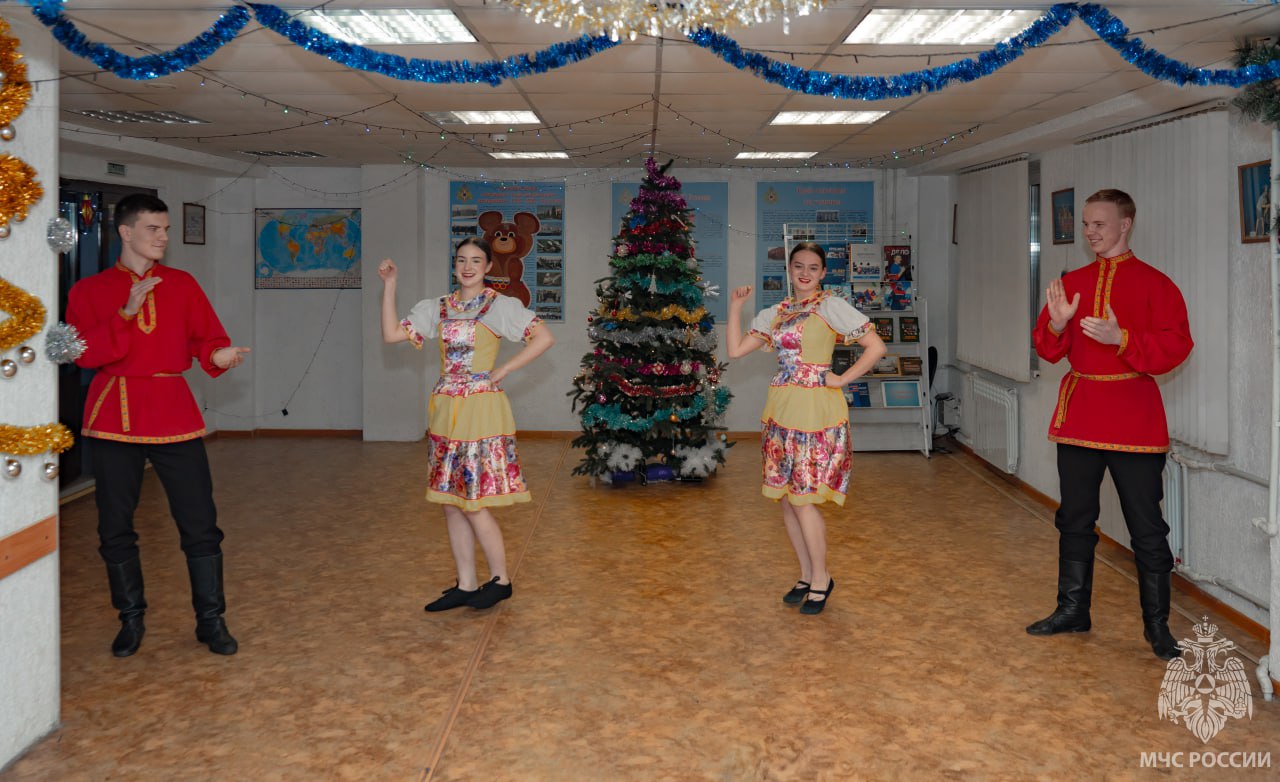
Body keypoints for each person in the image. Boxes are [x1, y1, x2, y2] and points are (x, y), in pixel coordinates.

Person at [66, 194, 251, 657]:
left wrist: (218, 355)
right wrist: (125, 313)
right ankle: (130, 620)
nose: (163, 237)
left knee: (200, 522)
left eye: (166, 229)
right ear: (125, 232)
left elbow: (206, 338)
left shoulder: (182, 284)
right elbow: (84, 354)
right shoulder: (88, 291)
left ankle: (211, 621)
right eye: (153, 229)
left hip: (173, 413)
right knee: (115, 526)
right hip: (115, 416)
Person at [1027, 188, 1194, 661]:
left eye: (1099, 224)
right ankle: (1072, 610)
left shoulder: (1157, 284)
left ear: (1126, 224)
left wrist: (1122, 337)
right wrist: (1058, 324)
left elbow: (1177, 346)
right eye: (1085, 224)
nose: (1090, 232)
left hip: (1134, 421)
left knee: (1147, 526)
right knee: (1074, 518)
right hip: (1080, 417)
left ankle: (1158, 628)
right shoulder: (1072, 282)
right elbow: (1048, 349)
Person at [379, 238, 554, 611]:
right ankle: (467, 583)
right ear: (455, 265)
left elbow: (544, 337)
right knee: (450, 500)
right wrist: (390, 285)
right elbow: (392, 334)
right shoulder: (439, 307)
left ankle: (501, 580)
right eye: (461, 260)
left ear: (488, 266)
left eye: (476, 260)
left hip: (479, 407)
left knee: (472, 500)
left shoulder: (499, 306)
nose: (468, 267)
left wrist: (505, 369)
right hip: (445, 407)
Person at [725, 242, 887, 615]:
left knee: (804, 498)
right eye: (798, 266)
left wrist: (841, 379)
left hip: (814, 410)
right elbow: (735, 351)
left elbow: (875, 347)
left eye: (813, 268)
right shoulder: (777, 312)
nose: (805, 273)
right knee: (787, 499)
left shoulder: (831, 306)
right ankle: (806, 574)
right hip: (780, 409)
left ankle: (821, 578)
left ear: (823, 273)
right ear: (789, 268)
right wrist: (735, 307)